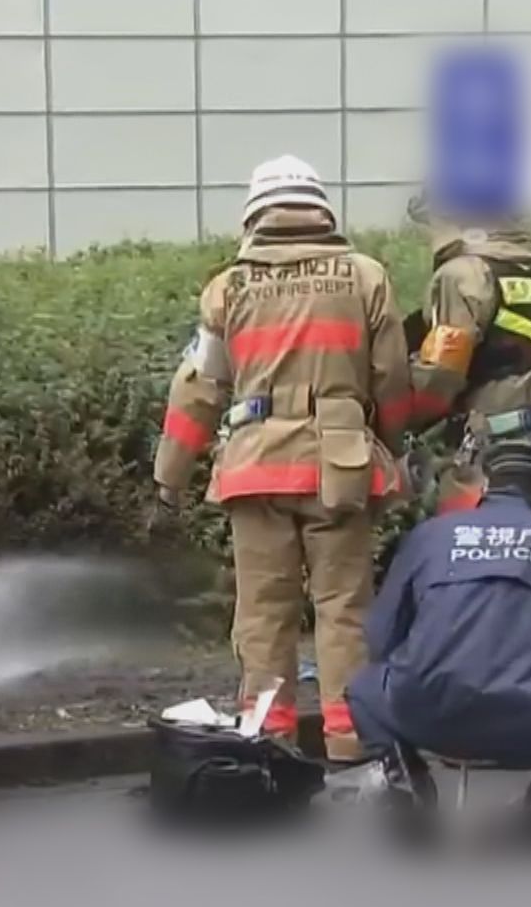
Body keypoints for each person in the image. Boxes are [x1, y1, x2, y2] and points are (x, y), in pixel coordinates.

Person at [153, 155, 412, 763]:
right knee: (344, 609)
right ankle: (350, 740)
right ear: (321, 209)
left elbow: (198, 386)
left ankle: (270, 738)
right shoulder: (365, 276)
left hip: (255, 466)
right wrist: (394, 450)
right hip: (340, 468)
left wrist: (171, 475)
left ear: (255, 214)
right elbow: (393, 381)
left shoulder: (229, 287)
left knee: (264, 612)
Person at [346, 440, 531, 841]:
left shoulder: (430, 535)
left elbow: (381, 637)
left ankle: (405, 774)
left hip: (427, 714)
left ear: (485, 487)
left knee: (362, 687)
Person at [402, 203, 531, 516]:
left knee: (476, 555)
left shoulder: (462, 275)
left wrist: (402, 418)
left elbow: (441, 373)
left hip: (495, 456)